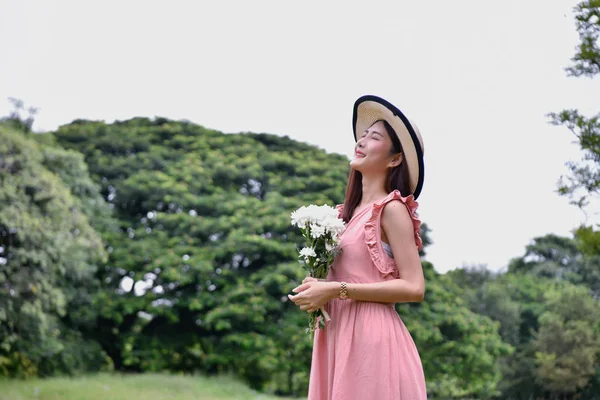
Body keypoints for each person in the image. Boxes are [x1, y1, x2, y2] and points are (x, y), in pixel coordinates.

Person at [288, 95, 427, 399]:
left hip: (370, 341)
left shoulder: (391, 209)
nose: (361, 142)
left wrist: (337, 289)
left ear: (394, 159)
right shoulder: (345, 216)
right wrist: (318, 287)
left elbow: (414, 287)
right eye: (362, 136)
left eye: (374, 137)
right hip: (336, 337)